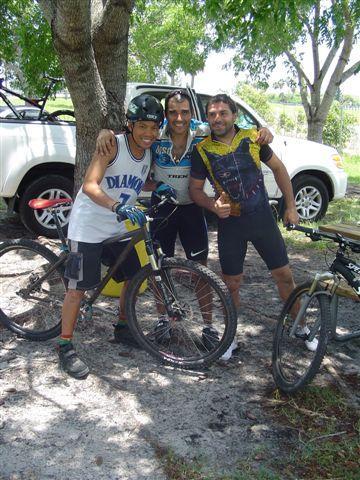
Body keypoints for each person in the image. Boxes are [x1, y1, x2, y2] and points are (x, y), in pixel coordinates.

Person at [96, 89, 274, 359]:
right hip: (163, 209)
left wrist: (265, 130)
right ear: (166, 115)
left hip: (192, 210)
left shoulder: (203, 131)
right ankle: (163, 320)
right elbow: (127, 134)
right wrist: (104, 132)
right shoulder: (155, 135)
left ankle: (207, 326)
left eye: (184, 112)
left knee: (200, 270)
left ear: (192, 114)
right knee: (159, 269)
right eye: (173, 112)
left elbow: (237, 129)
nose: (179, 118)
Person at [58, 94, 175, 380]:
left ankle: (123, 327)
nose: (149, 133)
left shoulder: (147, 152)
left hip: (119, 224)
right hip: (89, 225)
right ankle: (64, 345)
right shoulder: (112, 145)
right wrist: (116, 206)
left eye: (154, 127)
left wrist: (157, 186)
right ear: (130, 125)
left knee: (134, 277)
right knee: (77, 288)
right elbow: (89, 184)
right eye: (143, 126)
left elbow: (136, 179)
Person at [189, 93, 318, 352]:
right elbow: (195, 190)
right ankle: (230, 338)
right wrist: (212, 206)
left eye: (223, 113)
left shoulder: (254, 138)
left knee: (284, 276)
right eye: (212, 114)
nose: (217, 118)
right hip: (231, 225)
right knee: (231, 285)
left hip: (261, 219)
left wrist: (291, 207)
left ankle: (302, 327)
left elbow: (280, 169)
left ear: (234, 115)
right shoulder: (202, 150)